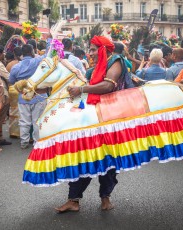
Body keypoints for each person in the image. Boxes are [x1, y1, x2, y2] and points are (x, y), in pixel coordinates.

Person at [56, 36, 126, 213]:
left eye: (94, 49)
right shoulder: (93, 70)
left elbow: (108, 86)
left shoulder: (115, 61)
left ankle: (105, 198)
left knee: (108, 160)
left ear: (104, 49)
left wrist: (81, 89)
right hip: (92, 119)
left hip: (111, 119)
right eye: (90, 49)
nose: (91, 53)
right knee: (85, 158)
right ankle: (73, 200)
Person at [9, 44, 48, 149]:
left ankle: (24, 142)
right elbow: (49, 53)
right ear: (32, 52)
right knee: (37, 121)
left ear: (22, 54)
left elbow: (11, 81)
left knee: (24, 121)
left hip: (23, 97)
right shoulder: (38, 61)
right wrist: (50, 39)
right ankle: (37, 143)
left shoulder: (16, 67)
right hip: (39, 95)